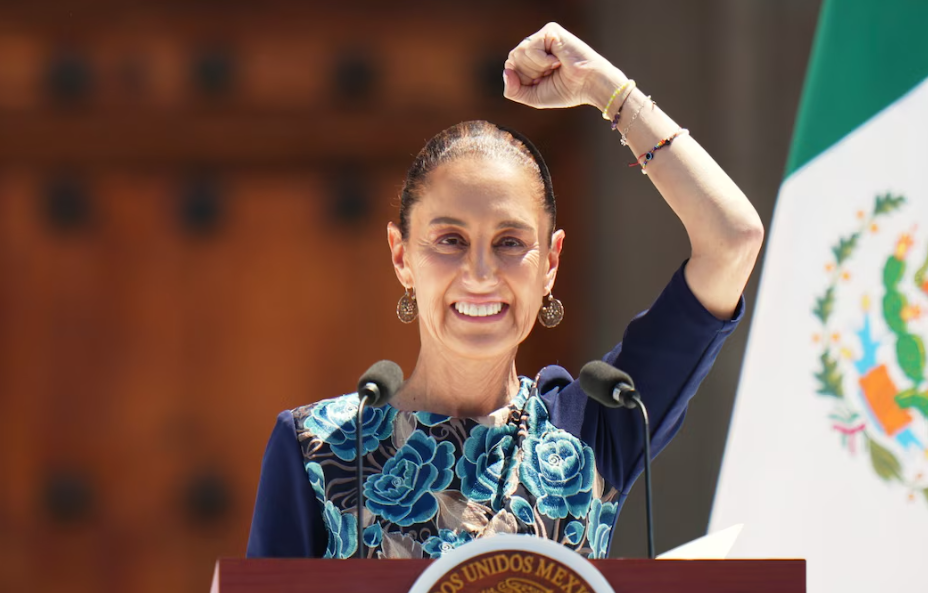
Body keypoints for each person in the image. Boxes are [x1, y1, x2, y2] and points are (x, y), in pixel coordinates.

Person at [246, 22, 763, 560]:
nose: (480, 272)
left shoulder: (598, 427)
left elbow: (733, 239)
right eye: (450, 239)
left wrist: (608, 92)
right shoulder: (318, 448)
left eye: (510, 242)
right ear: (402, 256)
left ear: (551, 263)